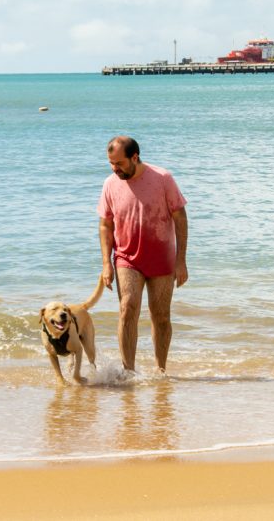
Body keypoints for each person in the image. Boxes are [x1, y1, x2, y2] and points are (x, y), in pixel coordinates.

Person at [97, 136, 188, 374]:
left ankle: (161, 370)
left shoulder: (162, 178)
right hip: (127, 258)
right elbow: (105, 224)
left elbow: (180, 217)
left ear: (134, 157)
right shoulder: (110, 184)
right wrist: (107, 263)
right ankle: (129, 372)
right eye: (110, 163)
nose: (114, 168)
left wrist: (181, 261)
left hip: (161, 257)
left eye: (118, 163)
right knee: (127, 308)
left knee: (161, 317)